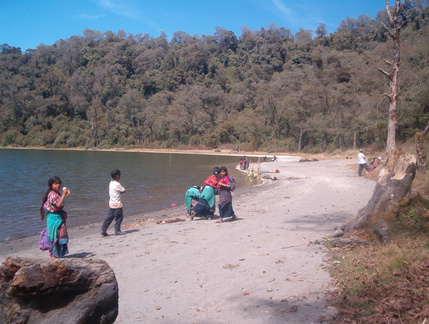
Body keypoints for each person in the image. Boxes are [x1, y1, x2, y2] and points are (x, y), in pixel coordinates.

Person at [40, 176, 69, 258]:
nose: (58, 185)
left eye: (59, 183)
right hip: (54, 217)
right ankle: (54, 254)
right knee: (55, 235)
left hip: (57, 216)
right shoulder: (52, 194)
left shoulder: (56, 193)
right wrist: (64, 194)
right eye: (56, 184)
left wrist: (63, 194)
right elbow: (58, 204)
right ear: (51, 185)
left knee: (59, 235)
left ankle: (57, 254)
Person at [101, 169, 126, 236]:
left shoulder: (111, 183)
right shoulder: (117, 184)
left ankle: (103, 230)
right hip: (117, 204)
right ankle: (117, 231)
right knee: (119, 218)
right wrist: (122, 192)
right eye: (120, 175)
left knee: (109, 218)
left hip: (111, 203)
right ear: (117, 176)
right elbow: (123, 190)